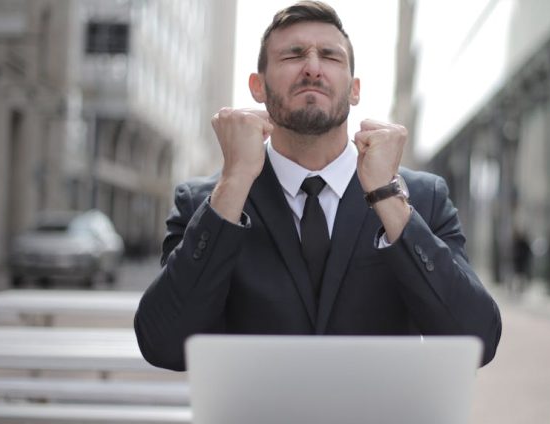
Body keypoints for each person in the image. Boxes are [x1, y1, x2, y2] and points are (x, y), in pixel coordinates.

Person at [134, 0, 501, 371]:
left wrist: (386, 196)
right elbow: (163, 344)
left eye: (330, 56)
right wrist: (235, 181)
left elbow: (476, 341)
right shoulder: (206, 202)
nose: (312, 68)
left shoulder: (422, 198)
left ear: (354, 90)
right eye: (293, 55)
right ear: (257, 87)